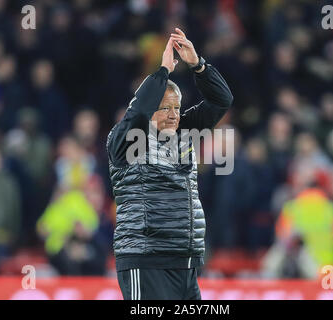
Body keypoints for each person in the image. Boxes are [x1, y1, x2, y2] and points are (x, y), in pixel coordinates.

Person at [106, 28, 233, 300]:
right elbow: (138, 111)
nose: (174, 115)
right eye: (165, 108)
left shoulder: (185, 133)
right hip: (145, 258)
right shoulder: (125, 141)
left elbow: (222, 100)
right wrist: (163, 70)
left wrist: (198, 65)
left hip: (184, 259)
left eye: (177, 107)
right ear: (151, 107)